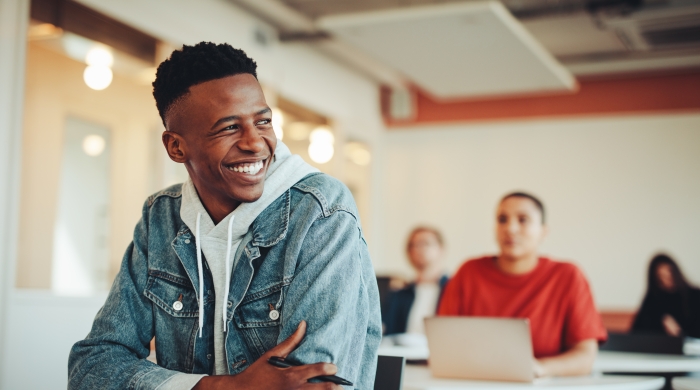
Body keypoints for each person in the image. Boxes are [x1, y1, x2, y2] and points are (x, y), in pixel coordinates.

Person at [68, 42, 381, 390]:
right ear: (176, 147)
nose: (256, 143)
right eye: (229, 128)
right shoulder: (162, 217)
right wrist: (225, 387)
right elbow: (92, 366)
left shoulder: (321, 210)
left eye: (263, 121)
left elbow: (315, 382)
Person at [438, 192, 607, 377]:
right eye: (502, 219)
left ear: (543, 231)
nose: (510, 228)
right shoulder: (468, 272)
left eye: (523, 220)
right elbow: (443, 345)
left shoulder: (568, 276)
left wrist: (539, 368)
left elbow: (585, 357)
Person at [383, 227, 448, 336]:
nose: (418, 249)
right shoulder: (400, 293)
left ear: (441, 249)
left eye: (425, 243)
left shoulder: (453, 289)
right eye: (412, 245)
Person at [631, 254, 700, 338]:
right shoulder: (652, 300)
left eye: (669, 275)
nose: (667, 281)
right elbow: (637, 334)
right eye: (661, 277)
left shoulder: (694, 296)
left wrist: (679, 333)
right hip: (658, 349)